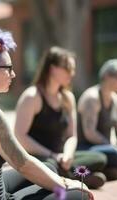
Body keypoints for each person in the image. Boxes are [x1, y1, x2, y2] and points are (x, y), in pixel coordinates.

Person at [0, 29, 94, 200]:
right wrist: (66, 184)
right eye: (8, 68)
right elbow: (23, 164)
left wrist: (57, 179)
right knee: (77, 195)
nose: (13, 74)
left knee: (50, 168)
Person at [14, 47, 107, 189]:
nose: (72, 73)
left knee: (100, 158)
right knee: (48, 166)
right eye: (68, 68)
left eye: (73, 69)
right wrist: (52, 155)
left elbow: (72, 136)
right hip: (39, 158)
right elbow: (20, 136)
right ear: (52, 69)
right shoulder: (32, 96)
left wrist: (68, 155)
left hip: (61, 157)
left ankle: (69, 177)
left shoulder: (68, 98)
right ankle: (78, 178)